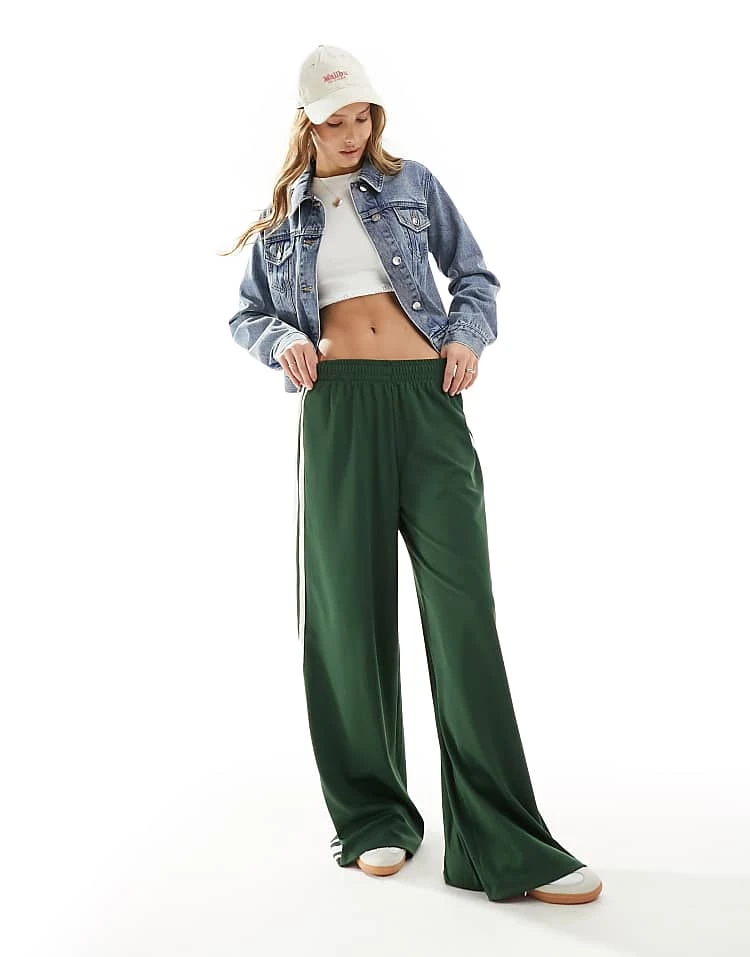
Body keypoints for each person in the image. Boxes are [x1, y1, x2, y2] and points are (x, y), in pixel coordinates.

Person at [223, 44, 603, 905]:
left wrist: (466, 336)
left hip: (428, 403)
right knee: (345, 613)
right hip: (338, 408)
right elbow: (246, 312)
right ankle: (373, 816)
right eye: (335, 120)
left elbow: (475, 274)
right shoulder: (282, 215)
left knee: (463, 611)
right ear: (306, 123)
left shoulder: (413, 184)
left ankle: (504, 840)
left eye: (362, 116)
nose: (352, 132)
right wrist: (282, 340)